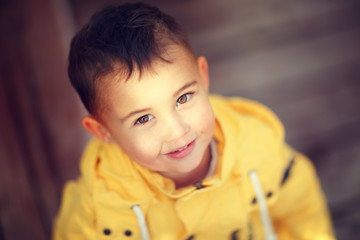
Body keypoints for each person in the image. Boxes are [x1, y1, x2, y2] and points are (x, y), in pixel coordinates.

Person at [53, 2, 336, 240]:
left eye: (183, 99)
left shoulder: (259, 151)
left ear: (203, 77)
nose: (178, 131)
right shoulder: (97, 206)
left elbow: (303, 211)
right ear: (103, 132)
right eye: (144, 118)